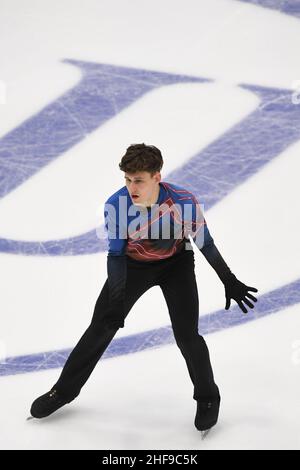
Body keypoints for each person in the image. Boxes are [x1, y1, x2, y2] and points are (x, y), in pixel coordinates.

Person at [30, 143, 258, 434]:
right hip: (132, 266)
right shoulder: (117, 205)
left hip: (176, 265)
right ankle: (63, 391)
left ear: (156, 177)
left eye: (138, 180)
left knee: (188, 337)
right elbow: (115, 255)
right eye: (127, 179)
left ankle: (208, 397)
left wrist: (229, 279)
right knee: (100, 327)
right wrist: (116, 301)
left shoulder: (183, 201)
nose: (131, 186)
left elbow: (205, 243)